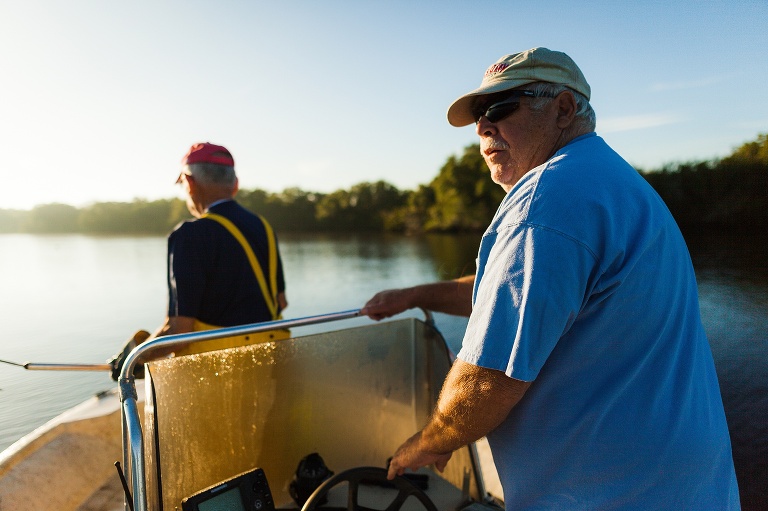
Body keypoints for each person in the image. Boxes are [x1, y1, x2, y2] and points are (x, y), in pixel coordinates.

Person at [362, 48, 740, 509]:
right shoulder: (612, 184)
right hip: (688, 487)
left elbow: (486, 380)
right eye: (480, 115)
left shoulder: (548, 200)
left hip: (605, 496)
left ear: (563, 109)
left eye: (500, 108)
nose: (483, 127)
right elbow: (510, 298)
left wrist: (429, 441)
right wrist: (413, 295)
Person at [153, 142, 288, 354]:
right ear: (235, 184)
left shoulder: (189, 235)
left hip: (215, 376)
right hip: (270, 367)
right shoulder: (263, 226)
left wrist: (135, 356)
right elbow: (280, 301)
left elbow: (179, 334)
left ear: (189, 183)